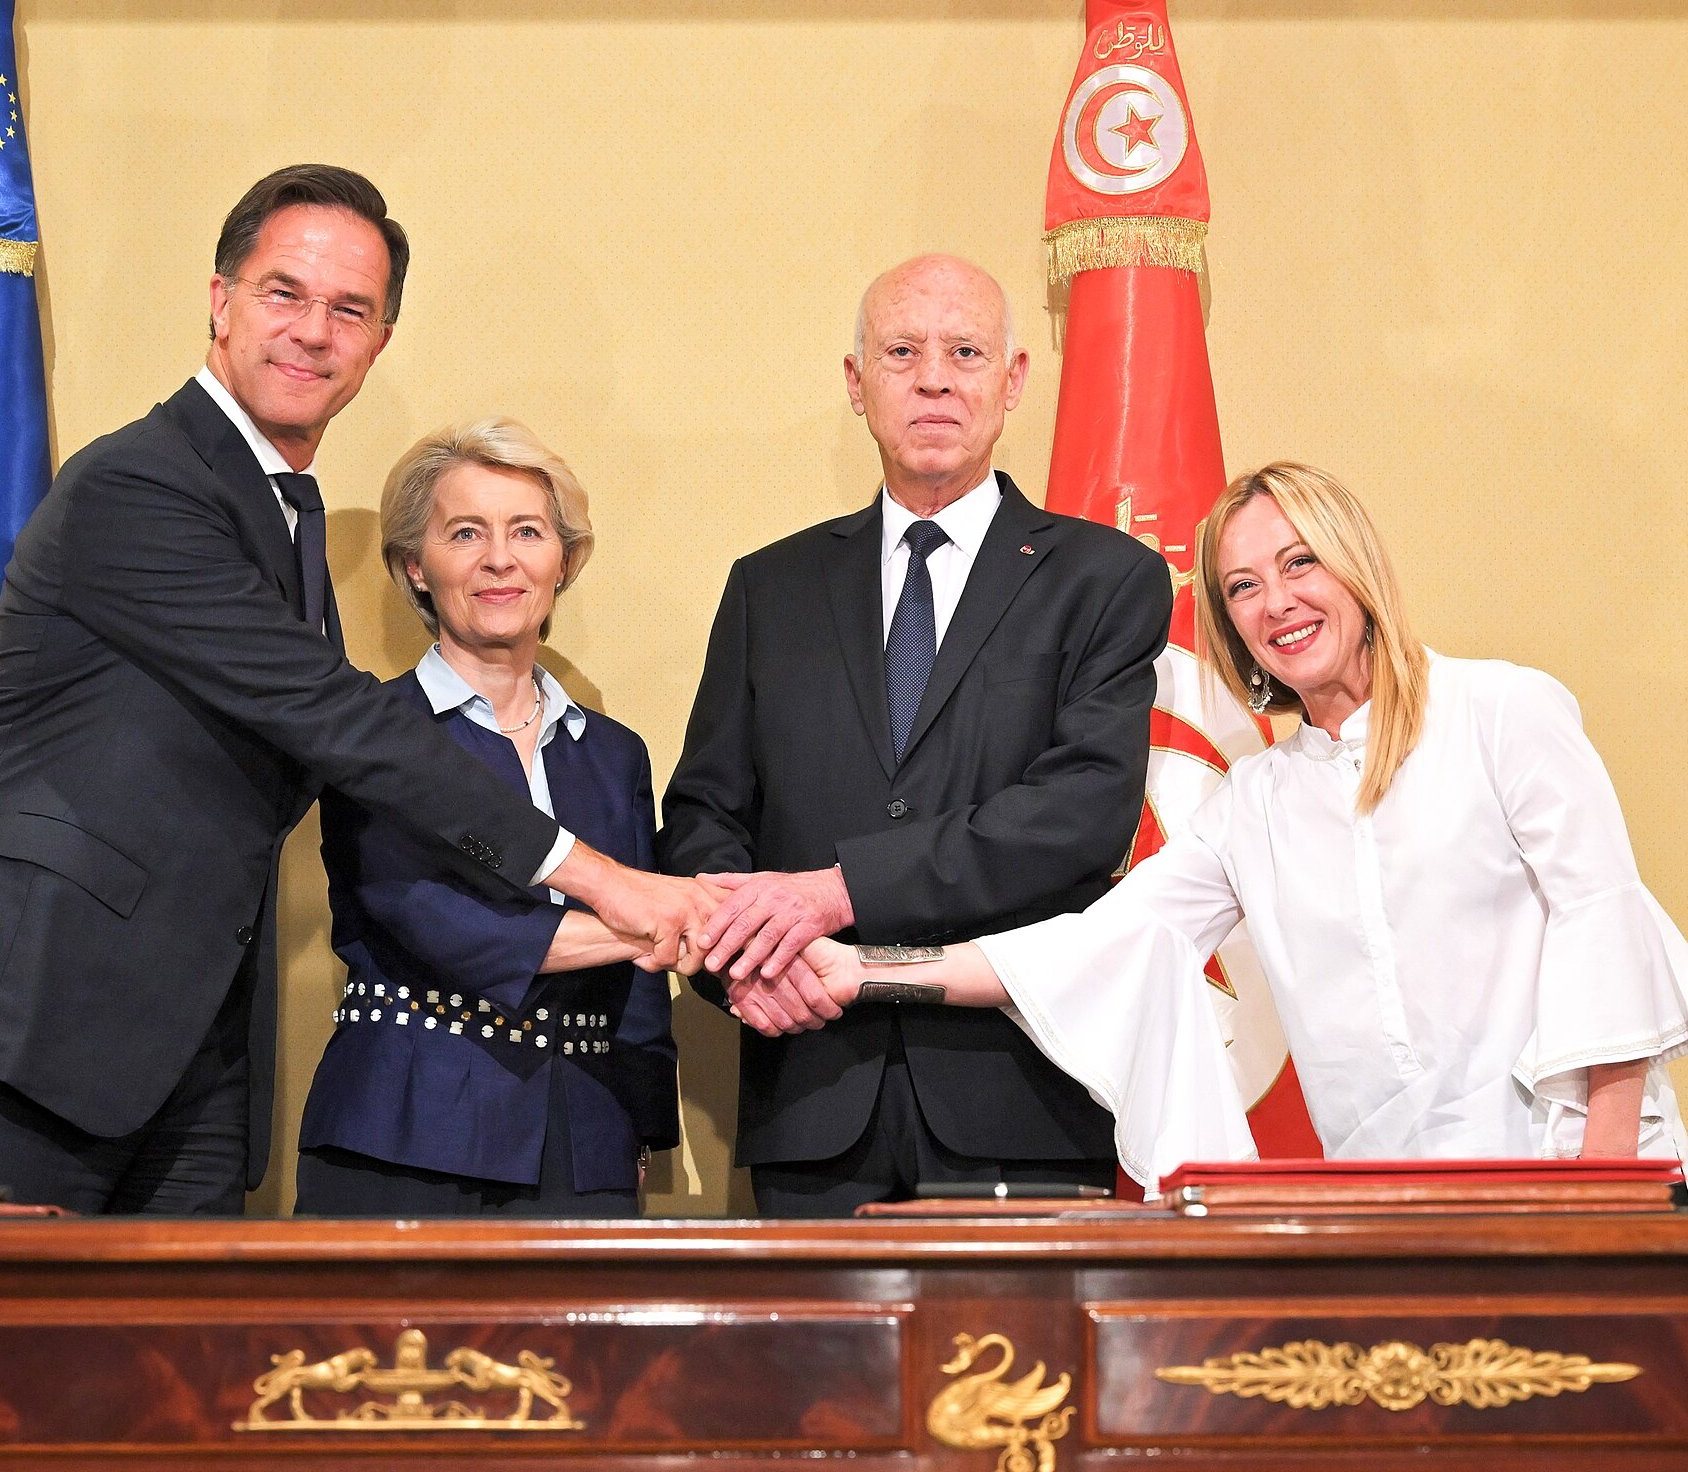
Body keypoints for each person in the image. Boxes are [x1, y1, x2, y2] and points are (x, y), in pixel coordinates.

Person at [0, 165, 709, 1215]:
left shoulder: (284, 514)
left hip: (190, 1061)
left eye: (350, 309)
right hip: (43, 1035)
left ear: (379, 342)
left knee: (178, 1374)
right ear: (219, 299)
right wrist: (609, 880)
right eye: (284, 292)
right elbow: (337, 722)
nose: (312, 331)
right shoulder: (139, 484)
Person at [783, 462, 1688, 1193]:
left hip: (1572, 1174)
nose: (1276, 604)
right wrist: (860, 969)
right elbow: (1091, 950)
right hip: (1393, 1203)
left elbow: (1602, 922)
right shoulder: (1255, 802)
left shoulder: (1504, 711)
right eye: (1243, 586)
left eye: (1301, 564)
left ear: (1357, 567)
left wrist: (1605, 1182)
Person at [658, 253, 1173, 1214]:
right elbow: (703, 816)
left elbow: (1080, 816)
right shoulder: (771, 588)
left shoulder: (1103, 579)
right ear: (858, 384)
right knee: (808, 1372)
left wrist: (835, 892)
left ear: (1013, 380)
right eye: (902, 350)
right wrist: (745, 972)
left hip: (1023, 1095)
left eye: (965, 351)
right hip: (808, 1087)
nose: (934, 376)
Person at [295, 420, 677, 1216]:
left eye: (527, 532)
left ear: (562, 562)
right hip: (405, 1134)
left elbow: (639, 1005)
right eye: (465, 532)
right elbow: (445, 927)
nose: (499, 559)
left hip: (587, 1146)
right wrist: (670, 923)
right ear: (416, 567)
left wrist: (640, 1132)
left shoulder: (613, 753)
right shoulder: (373, 730)